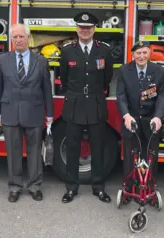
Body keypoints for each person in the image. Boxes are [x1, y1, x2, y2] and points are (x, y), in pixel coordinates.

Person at [0, 23, 54, 203]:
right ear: (11, 39)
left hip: (34, 112)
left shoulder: (41, 61)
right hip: (10, 112)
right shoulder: (2, 60)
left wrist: (49, 114)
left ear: (28, 38)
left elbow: (46, 90)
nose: (18, 40)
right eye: (15, 37)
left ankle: (35, 186)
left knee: (35, 152)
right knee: (13, 152)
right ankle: (14, 187)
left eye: (21, 36)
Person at [59, 11, 113, 204]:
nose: (85, 30)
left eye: (89, 27)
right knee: (72, 148)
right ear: (76, 29)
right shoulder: (67, 51)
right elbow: (64, 79)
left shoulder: (104, 50)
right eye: (82, 27)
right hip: (74, 106)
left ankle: (98, 187)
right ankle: (71, 188)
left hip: (96, 106)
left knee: (98, 148)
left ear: (94, 29)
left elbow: (107, 78)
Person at [116, 41, 164, 204]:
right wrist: (126, 115)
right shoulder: (124, 71)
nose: (141, 56)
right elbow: (121, 96)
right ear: (133, 55)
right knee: (131, 157)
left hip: (150, 122)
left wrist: (158, 116)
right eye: (138, 53)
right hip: (131, 121)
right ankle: (129, 189)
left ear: (149, 53)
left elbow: (162, 97)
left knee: (149, 157)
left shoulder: (158, 71)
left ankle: (149, 190)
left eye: (144, 52)